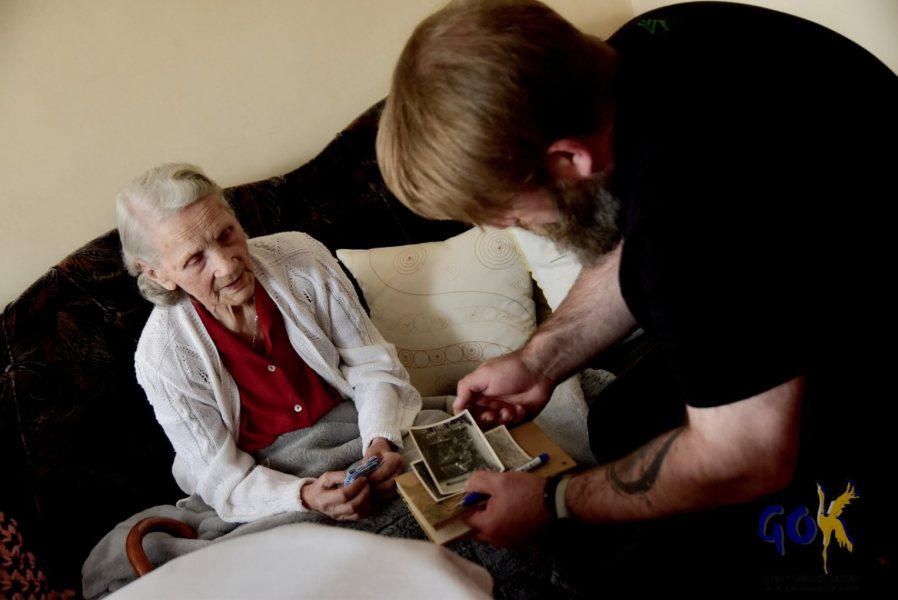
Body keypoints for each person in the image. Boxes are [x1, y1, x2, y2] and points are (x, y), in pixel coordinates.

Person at [377, 0, 896, 590]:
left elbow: (744, 457)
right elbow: (636, 246)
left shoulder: (695, 216)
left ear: (569, 157)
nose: (510, 226)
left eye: (508, 212)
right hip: (813, 271)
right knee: (621, 420)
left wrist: (551, 501)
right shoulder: (637, 53)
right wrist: (538, 360)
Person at [83, 163, 423, 598]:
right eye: (195, 259)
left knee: (460, 467)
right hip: (272, 473)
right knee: (286, 561)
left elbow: (372, 365)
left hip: (358, 430)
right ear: (157, 273)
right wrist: (305, 496)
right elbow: (221, 475)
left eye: (226, 234)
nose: (227, 264)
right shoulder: (161, 356)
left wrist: (382, 441)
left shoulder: (301, 258)